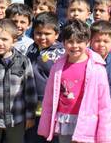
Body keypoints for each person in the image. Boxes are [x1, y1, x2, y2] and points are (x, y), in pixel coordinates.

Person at [37, 21, 111, 143]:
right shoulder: (57, 67)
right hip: (65, 120)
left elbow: (104, 104)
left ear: (88, 42)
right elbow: (49, 98)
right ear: (64, 43)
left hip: (87, 123)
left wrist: (105, 135)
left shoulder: (97, 68)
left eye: (79, 42)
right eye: (70, 42)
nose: (75, 46)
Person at [24, 12, 64, 143]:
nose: (42, 37)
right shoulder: (31, 49)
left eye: (47, 34)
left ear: (57, 34)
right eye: (38, 33)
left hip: (53, 106)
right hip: (32, 104)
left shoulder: (61, 53)